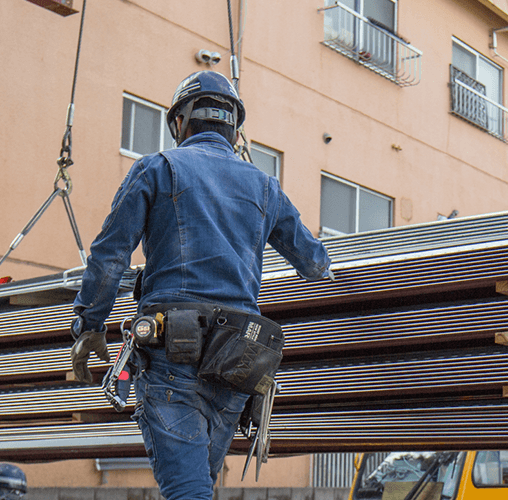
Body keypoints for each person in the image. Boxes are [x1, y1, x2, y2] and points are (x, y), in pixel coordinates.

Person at [70, 70, 332, 500]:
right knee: (197, 488)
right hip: (237, 361)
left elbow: (110, 254)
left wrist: (89, 327)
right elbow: (314, 262)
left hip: (175, 354)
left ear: (180, 123)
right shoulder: (264, 186)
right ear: (234, 126)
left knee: (189, 493)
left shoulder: (158, 169)